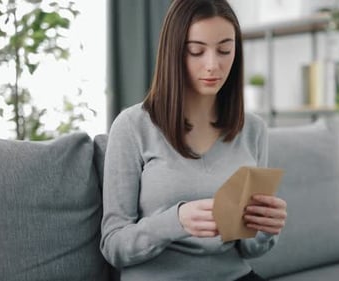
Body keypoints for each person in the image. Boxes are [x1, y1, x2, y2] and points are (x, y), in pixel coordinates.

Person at [100, 0, 287, 280]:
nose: (213, 65)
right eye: (196, 51)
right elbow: (113, 245)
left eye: (225, 49)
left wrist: (265, 228)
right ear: (174, 52)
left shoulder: (253, 130)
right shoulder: (132, 126)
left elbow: (249, 248)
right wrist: (175, 222)